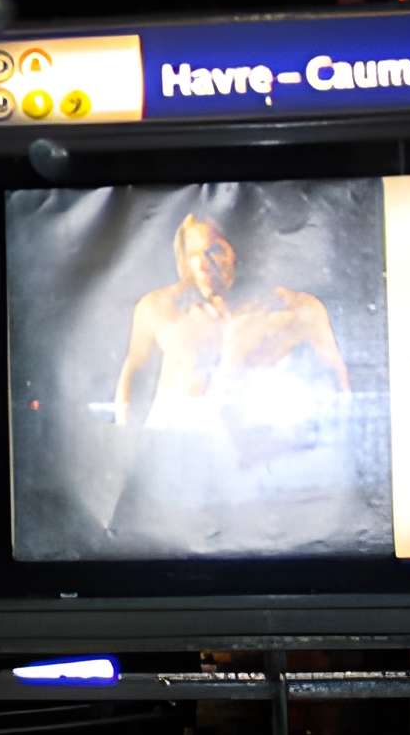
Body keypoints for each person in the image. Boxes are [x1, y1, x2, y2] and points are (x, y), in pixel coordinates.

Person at [107, 207, 369, 554]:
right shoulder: (160, 307)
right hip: (174, 457)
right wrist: (126, 446)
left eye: (215, 249)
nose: (203, 262)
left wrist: (333, 446)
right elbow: (133, 371)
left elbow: (338, 380)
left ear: (242, 249)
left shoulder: (293, 309)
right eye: (194, 252)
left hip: (254, 460)